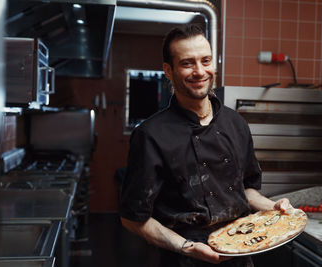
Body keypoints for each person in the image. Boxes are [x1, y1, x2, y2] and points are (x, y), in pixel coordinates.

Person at [119, 24, 292, 267]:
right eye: (187, 63)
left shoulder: (236, 123)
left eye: (206, 60)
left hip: (240, 252)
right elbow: (133, 218)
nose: (200, 71)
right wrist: (187, 247)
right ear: (168, 70)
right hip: (184, 258)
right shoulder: (150, 135)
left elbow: (247, 190)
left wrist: (273, 207)